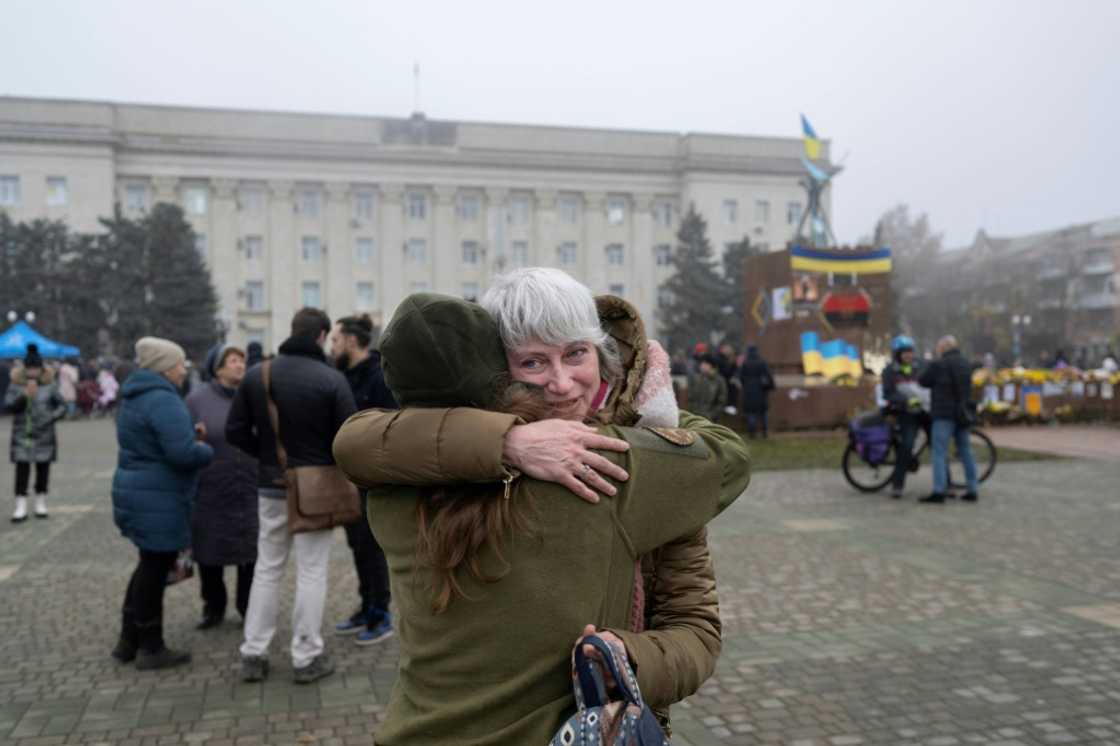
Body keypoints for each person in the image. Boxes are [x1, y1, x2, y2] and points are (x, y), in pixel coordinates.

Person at [333, 291, 751, 745]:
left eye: (576, 353)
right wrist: (653, 407)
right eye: (532, 362)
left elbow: (354, 443)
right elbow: (729, 458)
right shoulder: (604, 467)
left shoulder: (392, 482)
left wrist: (503, 441)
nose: (561, 383)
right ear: (499, 369)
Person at [226, 308, 357, 684]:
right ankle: (305, 655)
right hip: (317, 489)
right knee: (312, 570)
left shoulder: (257, 375)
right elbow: (349, 437)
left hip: (271, 485)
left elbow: (235, 431)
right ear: (320, 335)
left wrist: (268, 457)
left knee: (267, 568)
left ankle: (254, 652)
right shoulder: (332, 379)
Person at [110, 337, 213, 669]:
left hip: (139, 491)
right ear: (166, 368)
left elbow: (156, 442)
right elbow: (181, 454)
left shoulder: (135, 396)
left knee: (146, 565)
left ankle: (128, 640)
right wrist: (204, 449)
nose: (184, 370)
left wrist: (186, 436)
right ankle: (151, 647)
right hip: (159, 496)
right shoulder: (163, 400)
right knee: (154, 570)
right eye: (181, 364)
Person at [327, 313, 398, 646]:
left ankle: (380, 614)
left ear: (352, 342)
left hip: (375, 479)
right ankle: (365, 604)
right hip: (348, 478)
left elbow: (393, 427)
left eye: (336, 340)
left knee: (372, 548)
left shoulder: (379, 377)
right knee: (358, 546)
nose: (332, 346)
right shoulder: (341, 376)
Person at [185, 345, 258, 630]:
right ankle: (213, 606)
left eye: (242, 360)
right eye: (232, 360)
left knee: (249, 551)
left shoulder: (254, 395)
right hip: (211, 487)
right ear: (218, 368)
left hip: (248, 484)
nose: (240, 365)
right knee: (209, 551)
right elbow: (185, 437)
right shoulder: (196, 400)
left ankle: (247, 605)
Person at [6, 345, 67, 522]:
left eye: (36, 368)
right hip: (21, 433)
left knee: (43, 468)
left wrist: (50, 417)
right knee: (22, 469)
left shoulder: (50, 384)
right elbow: (9, 406)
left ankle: (41, 502)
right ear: (25, 368)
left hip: (44, 434)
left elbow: (62, 406)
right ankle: (20, 505)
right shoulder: (15, 384)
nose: (33, 372)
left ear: (41, 369)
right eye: (30, 368)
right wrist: (24, 396)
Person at [918, 335, 979, 504]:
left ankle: (939, 490)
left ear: (943, 348)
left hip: (943, 414)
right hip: (962, 414)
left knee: (939, 452)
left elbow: (923, 381)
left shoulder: (939, 364)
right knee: (966, 451)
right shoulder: (965, 363)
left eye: (939, 347)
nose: (938, 350)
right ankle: (972, 489)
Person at [881, 335, 928, 499]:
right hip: (907, 413)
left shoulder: (921, 366)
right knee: (906, 446)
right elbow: (888, 394)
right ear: (897, 354)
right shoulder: (889, 371)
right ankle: (897, 485)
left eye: (910, 352)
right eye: (905, 352)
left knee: (938, 445)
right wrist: (906, 400)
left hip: (925, 411)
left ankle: (947, 484)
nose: (909, 355)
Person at [737, 345, 775, 438]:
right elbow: (768, 376)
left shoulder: (745, 363)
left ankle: (752, 432)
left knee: (751, 413)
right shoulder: (762, 362)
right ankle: (764, 431)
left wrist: (746, 384)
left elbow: (740, 376)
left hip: (749, 391)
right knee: (763, 413)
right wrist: (771, 386)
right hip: (761, 390)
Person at [689, 353, 728, 423]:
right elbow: (691, 398)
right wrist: (693, 413)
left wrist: (711, 415)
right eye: (701, 363)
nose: (701, 366)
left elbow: (721, 401)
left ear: (711, 366)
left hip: (711, 420)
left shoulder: (719, 381)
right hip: (695, 418)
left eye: (704, 364)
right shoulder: (697, 379)